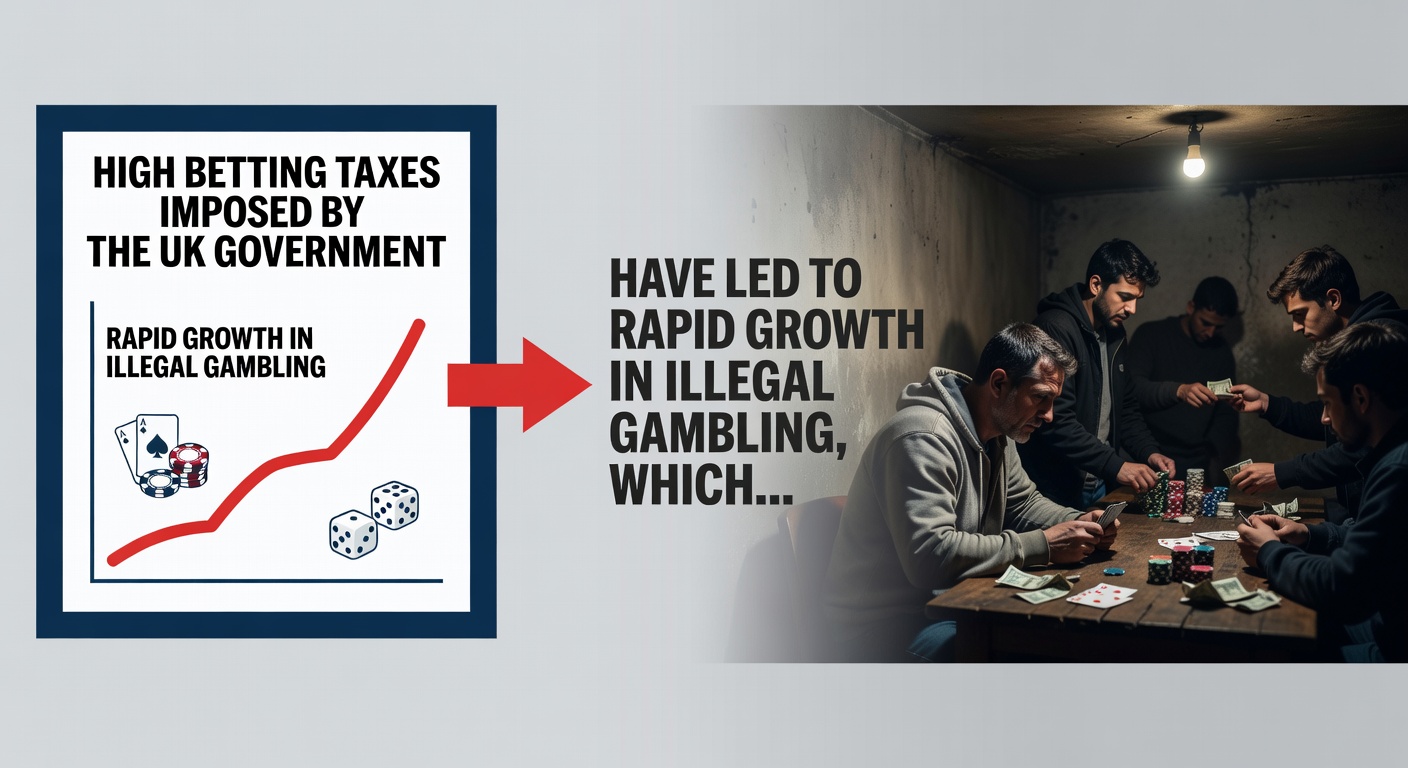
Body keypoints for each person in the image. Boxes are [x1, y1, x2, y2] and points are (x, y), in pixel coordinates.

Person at [824, 323, 1119, 662]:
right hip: (881, 629)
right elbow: (929, 557)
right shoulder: (922, 437)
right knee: (1026, 650)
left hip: (946, 603)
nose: (1049, 415)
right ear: (999, 383)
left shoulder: (998, 433)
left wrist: (1080, 521)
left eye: (1053, 401)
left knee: (1057, 636)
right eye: (1041, 397)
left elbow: (1023, 503)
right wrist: (1045, 545)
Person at [1236, 319, 1408, 662]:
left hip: (1392, 647)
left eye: (1327, 403)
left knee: (1273, 656)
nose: (1324, 419)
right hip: (1387, 622)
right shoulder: (1391, 452)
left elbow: (1341, 589)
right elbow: (1376, 544)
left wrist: (1269, 552)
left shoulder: (1397, 469)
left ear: (1360, 398)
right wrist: (1310, 534)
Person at [1229, 245, 1408, 522]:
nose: (1295, 327)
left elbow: (1364, 448)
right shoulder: (1356, 340)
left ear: (1333, 299)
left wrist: (1281, 473)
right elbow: (1335, 418)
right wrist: (1267, 404)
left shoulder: (1377, 345)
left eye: (1300, 314)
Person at [1018, 238, 1174, 509]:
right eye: (1125, 297)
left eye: (1137, 299)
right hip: (1054, 488)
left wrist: (1149, 452)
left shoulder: (1115, 334)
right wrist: (1116, 466)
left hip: (1099, 483)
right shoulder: (1055, 328)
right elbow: (1056, 421)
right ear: (1095, 285)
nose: (1132, 309)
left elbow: (1125, 409)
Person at [1127, 276, 1241, 481]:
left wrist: (1215, 453)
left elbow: (1226, 411)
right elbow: (1132, 389)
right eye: (1205, 323)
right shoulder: (1151, 335)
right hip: (1147, 456)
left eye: (1218, 327)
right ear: (1191, 307)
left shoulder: (1221, 351)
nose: (1210, 332)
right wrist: (1178, 391)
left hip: (1196, 462)